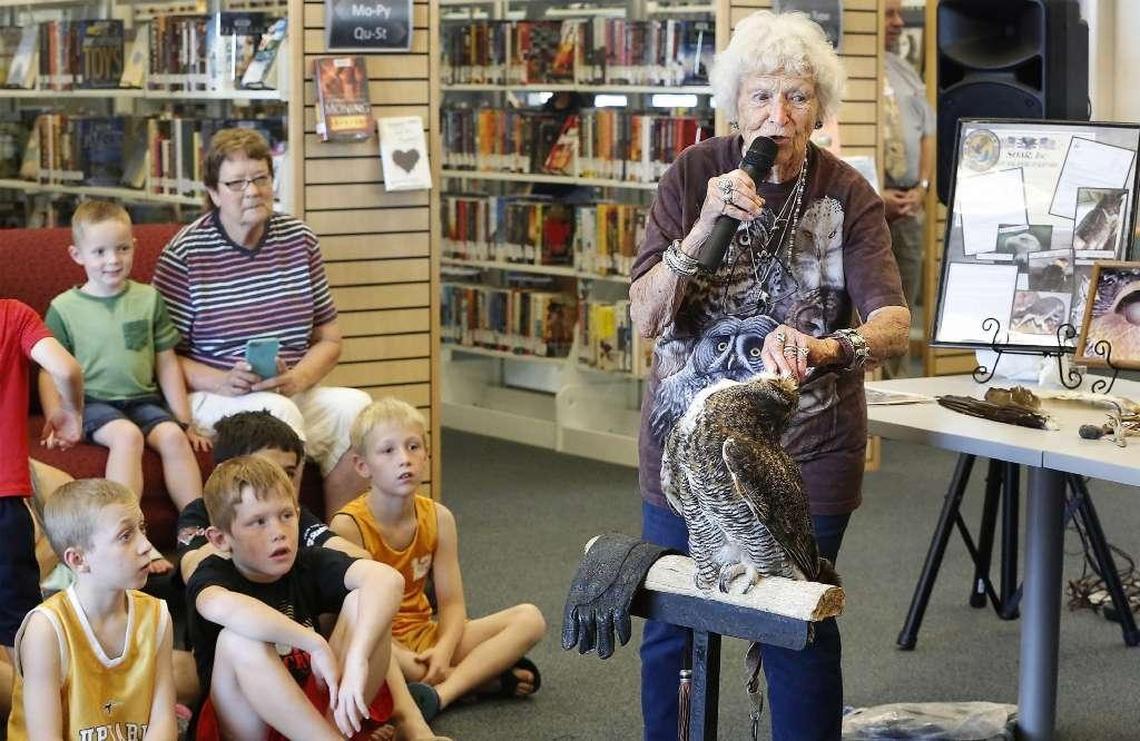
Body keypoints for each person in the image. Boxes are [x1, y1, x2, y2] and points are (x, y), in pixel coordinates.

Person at [628, 10, 909, 740]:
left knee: (794, 624)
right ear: (734, 103)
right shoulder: (692, 175)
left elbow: (893, 323)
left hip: (805, 452)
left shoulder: (847, 192)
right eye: (761, 96)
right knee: (673, 624)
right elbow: (645, 317)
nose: (778, 117)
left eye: (797, 97)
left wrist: (824, 349)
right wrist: (700, 232)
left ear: (821, 108)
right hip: (684, 452)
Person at [151, 127, 372, 518]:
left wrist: (300, 377)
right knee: (278, 417)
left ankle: (339, 542)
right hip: (214, 394)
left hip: (287, 387)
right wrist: (222, 379)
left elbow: (330, 338)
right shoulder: (186, 253)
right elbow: (162, 355)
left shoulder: (300, 239)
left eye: (260, 179)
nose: (251, 192)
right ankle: (283, 549)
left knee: (358, 411)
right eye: (236, 183)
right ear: (214, 193)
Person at [186, 455, 439, 740]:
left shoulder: (307, 562)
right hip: (245, 725)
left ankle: (334, 733)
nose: (278, 533)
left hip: (311, 719)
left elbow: (387, 579)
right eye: (258, 522)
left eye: (286, 516)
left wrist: (358, 658)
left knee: (363, 602)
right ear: (220, 539)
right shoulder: (211, 575)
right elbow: (225, 607)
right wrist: (313, 642)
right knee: (238, 640)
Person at [330, 398, 546, 715]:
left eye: (414, 447)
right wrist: (415, 655)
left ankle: (443, 692)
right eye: (388, 451)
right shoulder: (348, 526)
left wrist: (444, 651)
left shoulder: (439, 517)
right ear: (363, 466)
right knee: (384, 655)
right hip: (385, 645)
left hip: (428, 635)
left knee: (530, 619)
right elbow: (346, 618)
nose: (404, 459)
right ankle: (480, 678)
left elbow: (452, 603)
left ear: (427, 455)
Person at [41, 201, 206, 540]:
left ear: (134, 246)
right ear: (77, 255)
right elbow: (48, 372)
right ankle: (128, 534)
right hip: (92, 403)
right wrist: (57, 416)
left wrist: (184, 419)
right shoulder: (63, 308)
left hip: (143, 398)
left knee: (174, 437)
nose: (112, 260)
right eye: (99, 251)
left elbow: (166, 361)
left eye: (121, 248)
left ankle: (196, 529)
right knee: (126, 435)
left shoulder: (149, 299)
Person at [6, 478, 177, 740]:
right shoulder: (46, 630)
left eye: (142, 528)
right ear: (78, 559)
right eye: (125, 536)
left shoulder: (156, 615)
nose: (145, 546)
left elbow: (163, 721)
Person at [175, 410, 370, 585]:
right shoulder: (199, 511)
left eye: (289, 473)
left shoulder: (290, 514)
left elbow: (357, 557)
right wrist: (249, 541)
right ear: (224, 471)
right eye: (265, 471)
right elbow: (191, 571)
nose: (280, 482)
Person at [1, 298, 83, 659]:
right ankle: (32, 709)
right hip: (4, 506)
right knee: (20, 629)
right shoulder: (13, 314)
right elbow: (65, 369)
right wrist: (71, 411)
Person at [882, 0, 935, 377]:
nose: (898, 23)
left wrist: (923, 186)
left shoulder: (904, 71)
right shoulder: (849, 71)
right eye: (889, 14)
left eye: (900, 14)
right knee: (869, 304)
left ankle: (895, 385)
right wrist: (875, 195)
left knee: (901, 302)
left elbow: (928, 132)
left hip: (909, 204)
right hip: (869, 203)